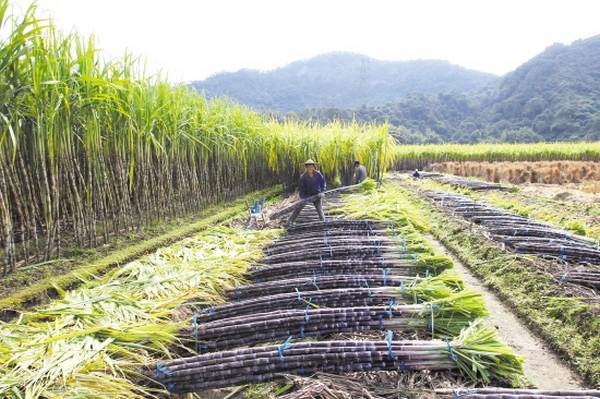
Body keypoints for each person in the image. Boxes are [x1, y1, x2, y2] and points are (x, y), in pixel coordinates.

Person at [287, 159, 326, 227]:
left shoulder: (318, 174)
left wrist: (322, 191)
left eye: (311, 166)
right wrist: (302, 198)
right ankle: (289, 222)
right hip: (306, 195)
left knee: (319, 210)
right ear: (306, 167)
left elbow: (323, 182)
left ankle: (323, 223)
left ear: (313, 167)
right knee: (298, 208)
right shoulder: (303, 176)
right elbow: (301, 188)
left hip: (317, 194)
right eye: (308, 166)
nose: (310, 168)